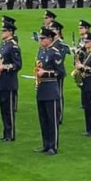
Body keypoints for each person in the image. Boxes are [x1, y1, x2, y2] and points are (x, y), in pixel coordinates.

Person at [34, 27, 62, 155]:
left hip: (51, 88)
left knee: (52, 120)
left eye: (43, 38)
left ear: (50, 38)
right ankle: (46, 144)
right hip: (41, 88)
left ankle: (53, 146)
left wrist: (45, 73)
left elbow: (60, 73)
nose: (41, 41)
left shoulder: (55, 53)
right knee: (43, 119)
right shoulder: (41, 51)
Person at [0, 20, 21, 142]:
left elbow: (18, 64)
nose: (2, 33)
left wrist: (4, 67)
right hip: (1, 80)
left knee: (9, 110)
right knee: (3, 108)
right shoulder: (4, 44)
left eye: (4, 31)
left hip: (9, 81)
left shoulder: (13, 46)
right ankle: (5, 133)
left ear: (10, 32)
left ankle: (10, 134)